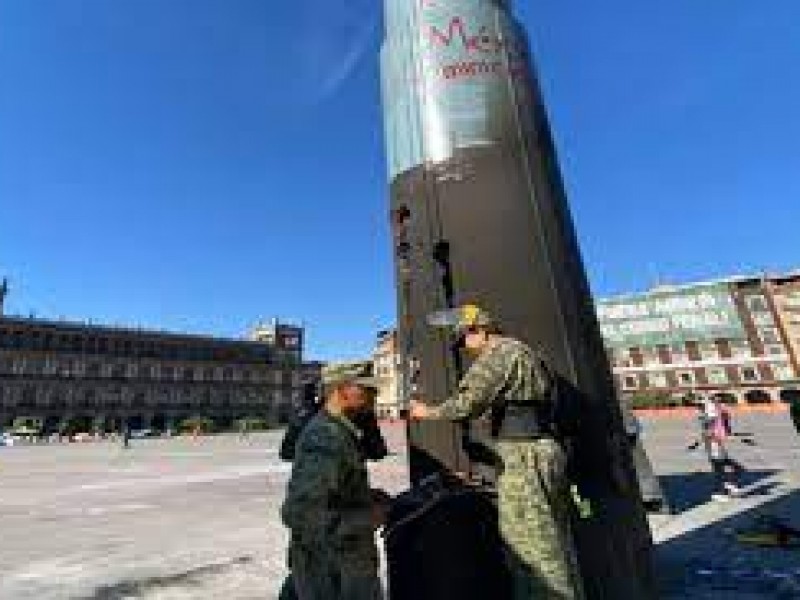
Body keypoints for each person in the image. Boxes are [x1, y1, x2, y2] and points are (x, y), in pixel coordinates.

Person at [410, 304, 584, 600]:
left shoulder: (497, 354)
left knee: (533, 551)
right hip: (543, 449)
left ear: (478, 329)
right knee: (556, 541)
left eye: (464, 338)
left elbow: (466, 404)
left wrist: (427, 412)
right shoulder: (524, 352)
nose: (464, 347)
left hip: (522, 455)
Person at [280, 360, 390, 600]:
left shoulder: (342, 430)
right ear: (340, 390)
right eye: (366, 388)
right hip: (330, 573)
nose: (374, 394)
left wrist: (365, 497)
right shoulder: (325, 437)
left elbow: (332, 494)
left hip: (344, 567)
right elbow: (301, 514)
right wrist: (371, 516)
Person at [689, 397, 744, 502]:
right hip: (714, 449)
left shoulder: (715, 419)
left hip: (718, 447)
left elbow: (724, 428)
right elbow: (707, 433)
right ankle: (718, 492)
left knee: (735, 469)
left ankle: (728, 486)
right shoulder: (709, 422)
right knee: (720, 472)